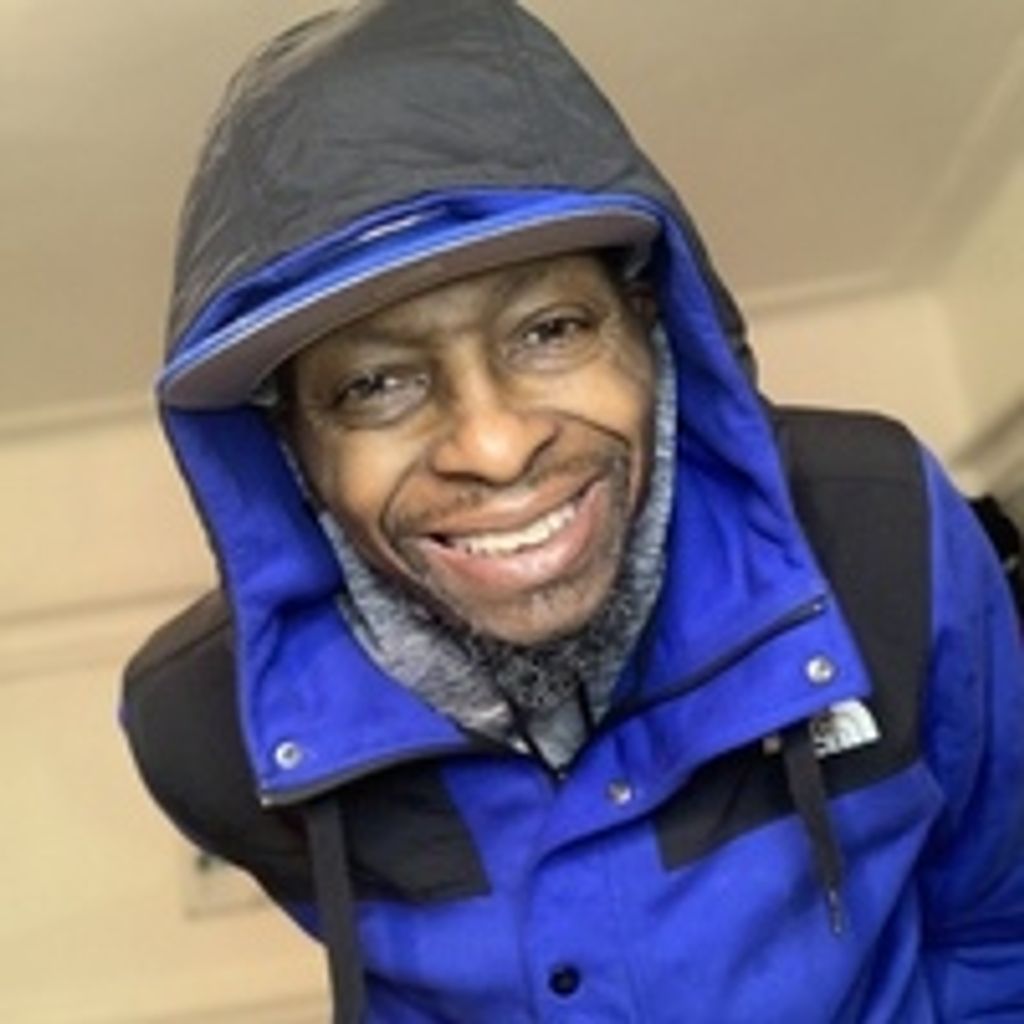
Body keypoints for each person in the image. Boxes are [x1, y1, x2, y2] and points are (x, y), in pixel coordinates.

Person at [123, 1, 1024, 1021]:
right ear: (290, 446)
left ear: (651, 328)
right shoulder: (200, 727)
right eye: (375, 385)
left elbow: (1002, 931)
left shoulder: (879, 535)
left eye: (550, 329)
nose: (495, 446)